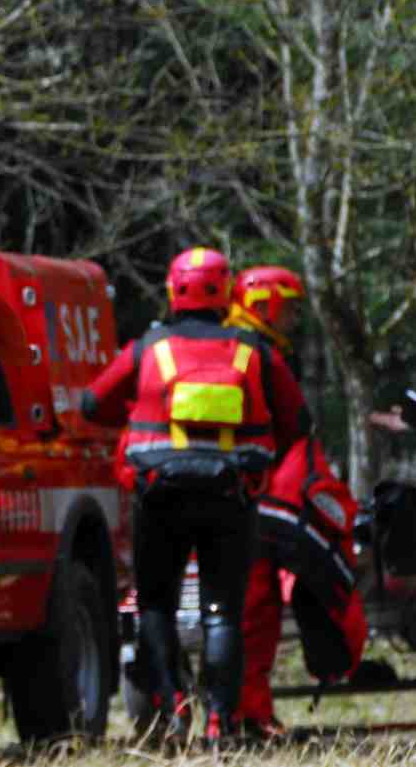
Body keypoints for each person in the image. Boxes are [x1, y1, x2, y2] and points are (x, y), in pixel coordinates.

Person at [83, 248, 307, 743]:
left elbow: (91, 403)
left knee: (157, 605)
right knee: (223, 611)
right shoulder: (254, 350)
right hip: (232, 497)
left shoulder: (149, 348)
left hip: (159, 498)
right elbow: (299, 423)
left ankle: (171, 708)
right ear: (227, 291)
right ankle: (219, 723)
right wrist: (257, 465)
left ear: (172, 289)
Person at [225, 266, 309, 739]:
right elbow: (300, 420)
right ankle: (249, 713)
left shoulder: (208, 346)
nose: (295, 319)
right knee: (255, 610)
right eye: (290, 308)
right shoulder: (259, 353)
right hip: (251, 499)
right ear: (263, 306)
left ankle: (216, 711)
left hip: (183, 494)